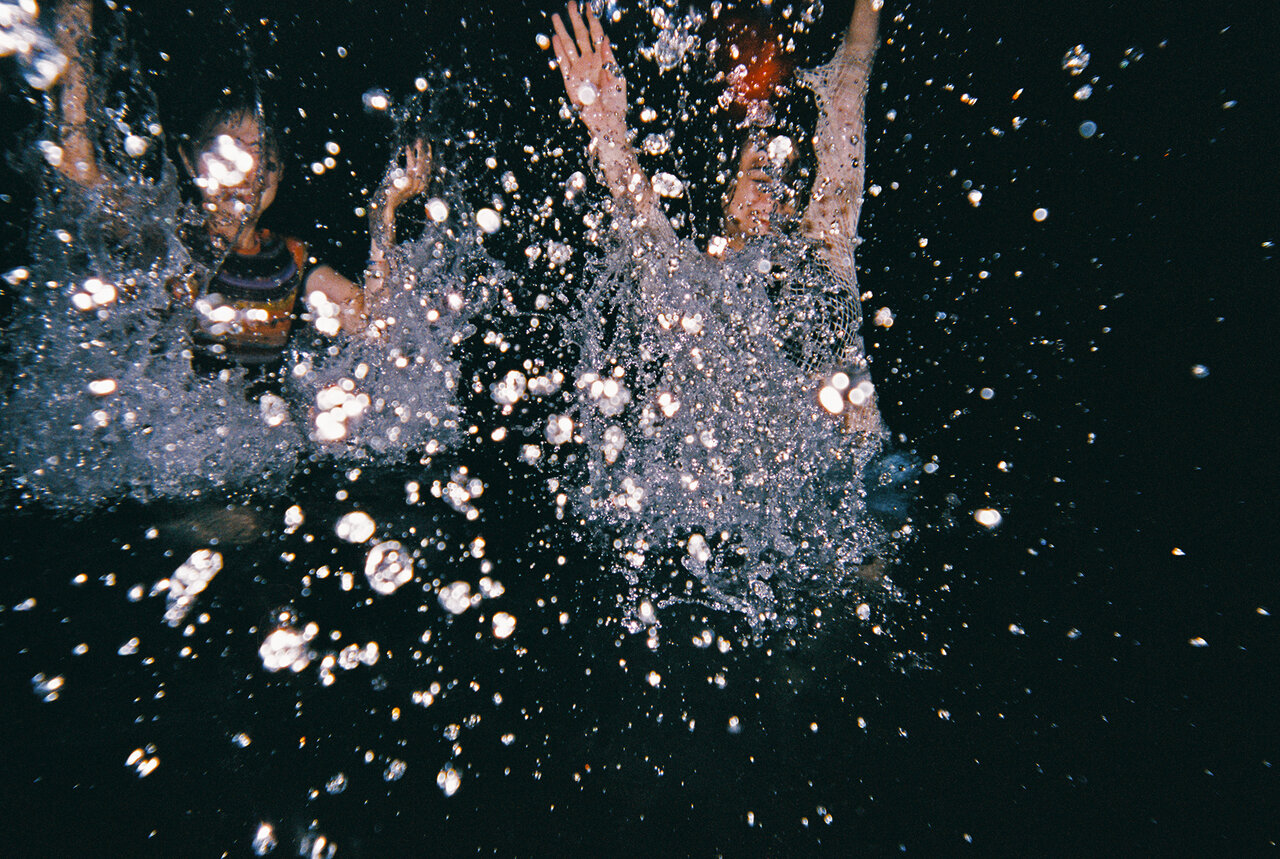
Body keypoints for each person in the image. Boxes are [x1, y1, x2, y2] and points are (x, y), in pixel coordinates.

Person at [550, 0, 883, 437]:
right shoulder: (689, 282)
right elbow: (638, 210)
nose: (775, 194)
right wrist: (607, 129)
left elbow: (848, 91)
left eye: (787, 185)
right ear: (726, 197)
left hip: (859, 472)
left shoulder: (825, 247)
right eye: (760, 177)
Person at [48, 0, 429, 372]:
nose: (245, 171)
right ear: (188, 160)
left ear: (279, 170)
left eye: (260, 152)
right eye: (225, 149)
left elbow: (377, 329)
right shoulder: (164, 239)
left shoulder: (291, 261)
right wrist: (72, 31)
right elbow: (75, 169)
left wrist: (384, 215)